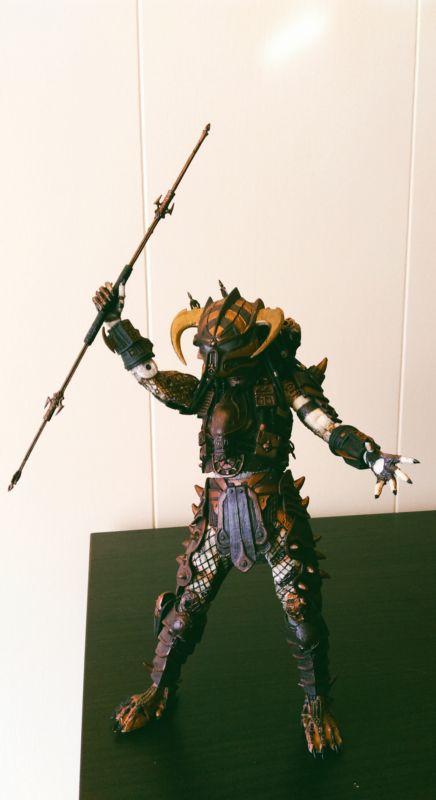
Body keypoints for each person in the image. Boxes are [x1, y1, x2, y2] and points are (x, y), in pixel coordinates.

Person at [93, 281, 418, 757]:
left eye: (223, 352)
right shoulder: (208, 388)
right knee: (185, 610)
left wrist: (370, 456)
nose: (215, 363)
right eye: (210, 353)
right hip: (219, 512)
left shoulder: (282, 379)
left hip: (274, 509)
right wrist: (116, 325)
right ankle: (158, 690)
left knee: (300, 610)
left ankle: (316, 705)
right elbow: (155, 380)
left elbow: (325, 425)